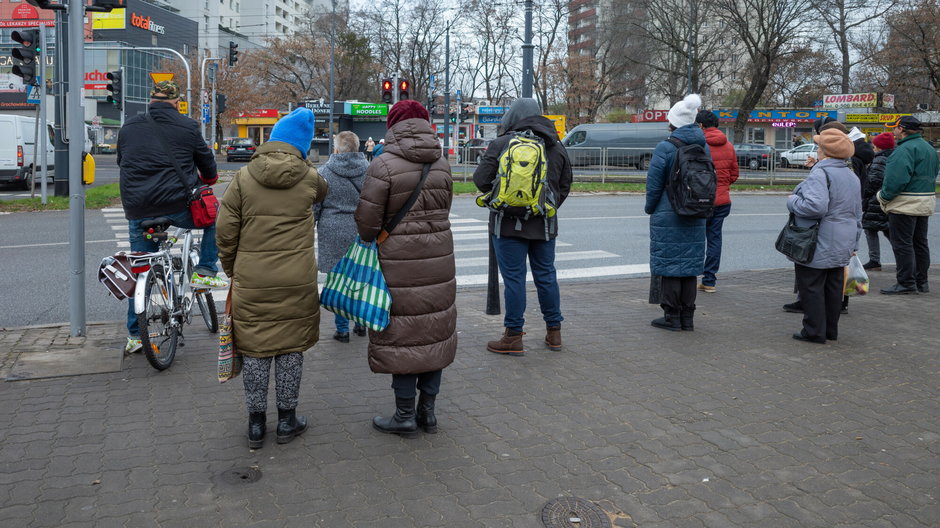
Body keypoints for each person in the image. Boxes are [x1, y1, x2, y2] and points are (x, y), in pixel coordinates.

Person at [215, 108, 329, 448]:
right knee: (291, 348)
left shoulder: (243, 177)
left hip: (253, 278)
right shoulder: (310, 179)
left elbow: (225, 230)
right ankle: (287, 421)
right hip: (297, 279)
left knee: (255, 350)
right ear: (302, 145)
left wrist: (231, 268)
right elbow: (323, 193)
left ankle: (254, 424)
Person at [355, 100, 457, 437]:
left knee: (402, 334)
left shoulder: (383, 165)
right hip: (439, 259)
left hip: (397, 263)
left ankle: (404, 416)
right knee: (433, 330)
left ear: (393, 126)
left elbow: (367, 226)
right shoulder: (442, 163)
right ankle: (428, 413)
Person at [117, 80, 227, 355]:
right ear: (176, 102)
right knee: (215, 216)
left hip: (138, 208)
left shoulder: (128, 127)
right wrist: (206, 179)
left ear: (150, 100)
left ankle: (134, 335)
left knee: (141, 267)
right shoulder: (188, 126)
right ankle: (205, 270)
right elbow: (209, 169)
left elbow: (122, 161)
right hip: (178, 206)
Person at [473, 98, 573, 354]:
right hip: (544, 226)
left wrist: (503, 196)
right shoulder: (556, 145)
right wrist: (546, 208)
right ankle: (554, 334)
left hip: (506, 226)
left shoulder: (502, 143)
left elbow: (480, 180)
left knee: (514, 279)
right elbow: (565, 185)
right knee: (546, 277)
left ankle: (513, 336)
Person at [786, 128, 862, 343]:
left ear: (825, 152)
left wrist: (792, 201)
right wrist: (854, 242)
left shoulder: (821, 173)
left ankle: (814, 331)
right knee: (833, 287)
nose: (817, 150)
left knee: (811, 286)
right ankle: (830, 330)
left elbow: (814, 207)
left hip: (818, 240)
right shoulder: (851, 175)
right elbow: (858, 214)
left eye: (819, 147)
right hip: (843, 239)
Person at [645, 94, 707, 331]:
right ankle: (687, 318)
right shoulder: (703, 145)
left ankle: (671, 317)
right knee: (689, 266)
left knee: (670, 265)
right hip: (696, 210)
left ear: (673, 122)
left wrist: (650, 207)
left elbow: (654, 184)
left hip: (668, 211)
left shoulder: (666, 147)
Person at [314, 131, 369, 342]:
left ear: (336, 149)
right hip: (361, 230)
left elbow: (315, 206)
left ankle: (342, 330)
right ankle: (361, 324)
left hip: (332, 231)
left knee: (339, 282)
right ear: (358, 147)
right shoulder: (370, 171)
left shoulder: (324, 172)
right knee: (361, 278)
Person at [878, 115, 938, 294]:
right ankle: (922, 282)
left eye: (894, 128)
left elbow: (896, 180)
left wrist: (883, 196)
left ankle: (906, 283)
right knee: (920, 243)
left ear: (902, 129)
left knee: (902, 244)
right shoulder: (928, 148)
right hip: (925, 201)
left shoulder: (904, 149)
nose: (893, 132)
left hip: (905, 203)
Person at [695, 109, 739, 293]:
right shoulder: (728, 145)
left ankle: (689, 279)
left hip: (700, 200)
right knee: (714, 240)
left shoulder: (698, 144)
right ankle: (709, 281)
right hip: (721, 201)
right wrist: (721, 185)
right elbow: (734, 175)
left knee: (695, 240)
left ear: (701, 125)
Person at [861, 132, 895, 271]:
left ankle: (874, 260)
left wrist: (865, 195)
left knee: (870, 229)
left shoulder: (879, 160)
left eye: (875, 146)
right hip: (886, 200)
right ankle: (905, 259)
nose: (873, 148)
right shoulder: (894, 157)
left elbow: (873, 181)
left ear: (879, 147)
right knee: (889, 230)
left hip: (876, 200)